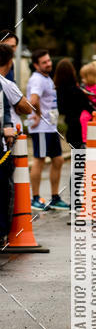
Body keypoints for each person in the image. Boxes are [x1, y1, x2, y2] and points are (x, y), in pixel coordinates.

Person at [26, 50, 70, 210]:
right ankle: (35, 198)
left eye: (49, 60)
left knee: (57, 160)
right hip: (42, 128)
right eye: (44, 62)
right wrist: (37, 115)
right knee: (39, 160)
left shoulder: (46, 77)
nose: (49, 63)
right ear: (36, 65)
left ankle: (55, 197)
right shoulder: (37, 79)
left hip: (50, 128)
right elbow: (33, 100)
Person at [0, 44, 31, 247]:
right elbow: (28, 107)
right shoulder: (5, 84)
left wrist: (8, 127)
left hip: (3, 146)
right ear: (11, 62)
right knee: (4, 192)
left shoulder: (4, 85)